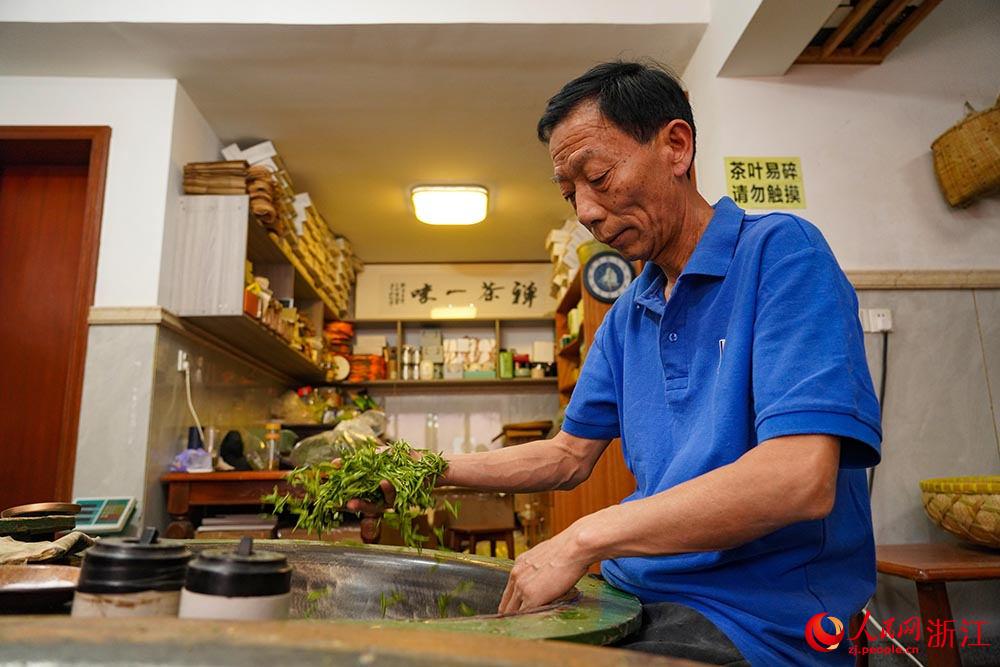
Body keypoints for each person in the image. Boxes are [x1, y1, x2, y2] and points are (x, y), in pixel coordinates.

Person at [351, 60, 881, 666]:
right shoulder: (631, 310)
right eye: (570, 192)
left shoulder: (783, 255)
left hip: (756, 621)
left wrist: (582, 539)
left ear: (675, 147)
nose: (586, 210)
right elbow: (567, 454)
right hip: (637, 592)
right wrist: (427, 469)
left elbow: (798, 479)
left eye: (597, 177)